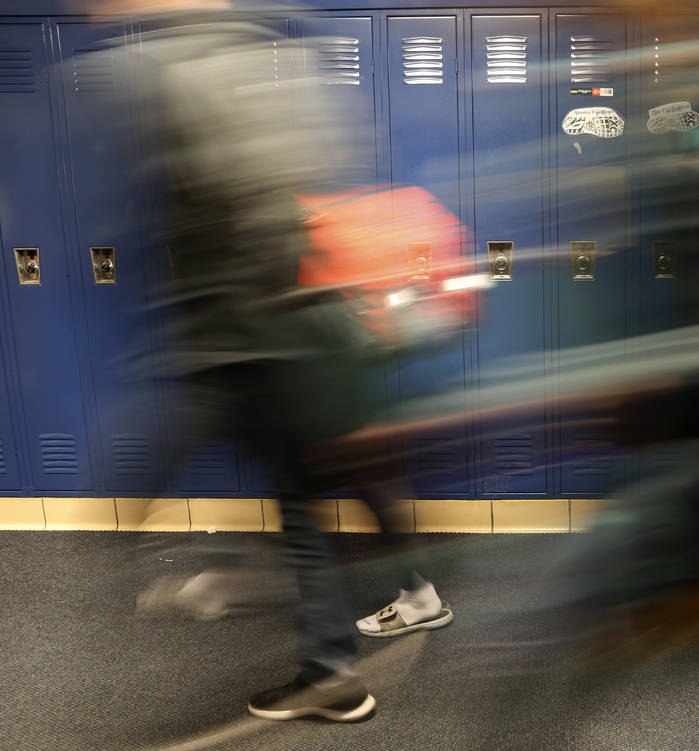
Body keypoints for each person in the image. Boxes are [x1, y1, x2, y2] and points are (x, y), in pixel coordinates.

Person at [94, 0, 451, 721]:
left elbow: (245, 226)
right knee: (311, 498)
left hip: (257, 344)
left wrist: (215, 344)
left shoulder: (169, 72)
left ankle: (191, 576)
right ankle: (342, 653)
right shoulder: (285, 65)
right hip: (314, 331)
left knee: (230, 480)